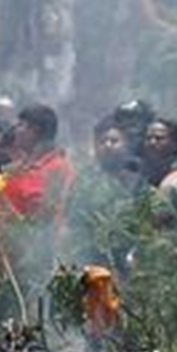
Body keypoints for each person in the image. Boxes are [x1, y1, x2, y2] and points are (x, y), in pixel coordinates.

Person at [66, 116, 144, 271]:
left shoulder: (138, 181)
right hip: (91, 258)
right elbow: (74, 221)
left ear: (127, 145)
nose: (108, 145)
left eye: (114, 141)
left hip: (129, 262)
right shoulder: (85, 180)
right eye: (102, 141)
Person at [0, 104, 76, 227]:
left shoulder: (58, 167)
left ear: (35, 130)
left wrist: (3, 203)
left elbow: (46, 217)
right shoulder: (19, 166)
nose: (15, 131)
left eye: (20, 125)